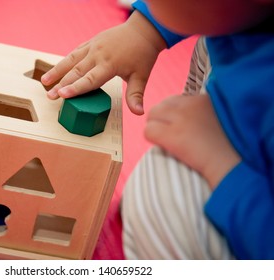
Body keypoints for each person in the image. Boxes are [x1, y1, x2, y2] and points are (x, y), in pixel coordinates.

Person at [41, 0, 274, 259]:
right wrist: (146, 29)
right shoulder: (238, 15)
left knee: (168, 199)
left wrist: (220, 165)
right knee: (208, 43)